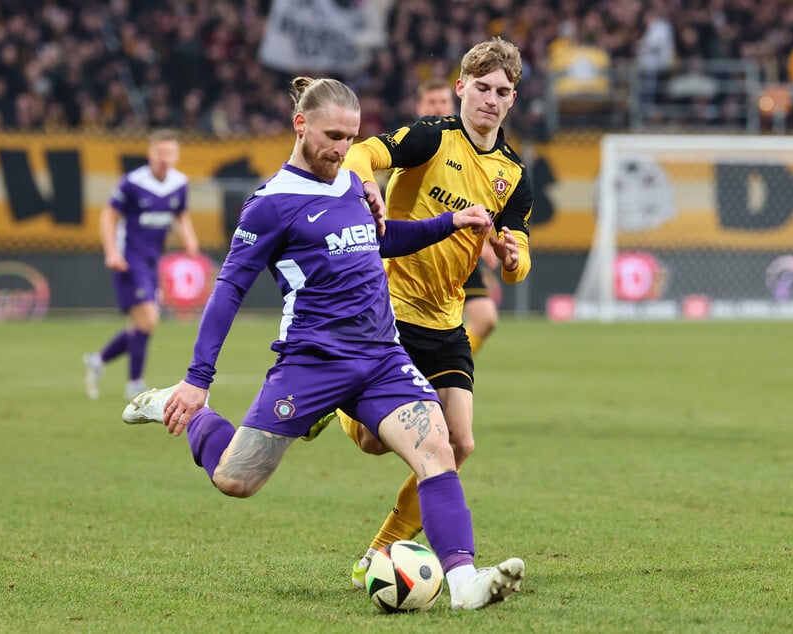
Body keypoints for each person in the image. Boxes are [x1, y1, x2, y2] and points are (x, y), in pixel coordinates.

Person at [120, 76, 525, 611]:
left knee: (438, 449)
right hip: (311, 362)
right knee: (235, 481)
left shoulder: (356, 186)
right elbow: (227, 292)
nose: (342, 148)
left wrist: (450, 221)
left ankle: (464, 580)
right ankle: (182, 410)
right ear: (300, 124)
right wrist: (197, 381)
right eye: (333, 135)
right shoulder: (270, 204)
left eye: (351, 136)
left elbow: (384, 239)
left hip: (382, 357)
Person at [328, 38, 533, 589]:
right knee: (374, 441)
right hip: (388, 312)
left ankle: (380, 553)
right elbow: (363, 152)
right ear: (461, 87)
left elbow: (517, 260)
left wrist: (513, 257)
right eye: (482, 88)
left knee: (460, 444)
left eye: (503, 92)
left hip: (445, 320)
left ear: (513, 99)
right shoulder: (431, 136)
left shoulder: (513, 173)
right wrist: (366, 180)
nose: (491, 100)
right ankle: (334, 397)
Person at [82, 129, 199, 400]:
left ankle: (98, 360)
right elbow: (108, 216)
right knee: (149, 317)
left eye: (170, 153)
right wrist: (111, 251)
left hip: (151, 259)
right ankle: (134, 383)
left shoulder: (179, 183)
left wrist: (190, 240)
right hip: (128, 257)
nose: (165, 158)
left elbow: (181, 215)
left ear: (177, 155)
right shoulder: (132, 183)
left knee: (142, 323)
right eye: (160, 152)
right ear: (150, 153)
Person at [415, 77, 501, 356]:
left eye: (443, 102)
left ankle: (447, 364)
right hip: (417, 251)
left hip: (457, 249)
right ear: (419, 107)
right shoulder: (409, 146)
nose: (438, 108)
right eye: (432, 102)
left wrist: (486, 241)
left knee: (486, 319)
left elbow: (475, 198)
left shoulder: (465, 147)